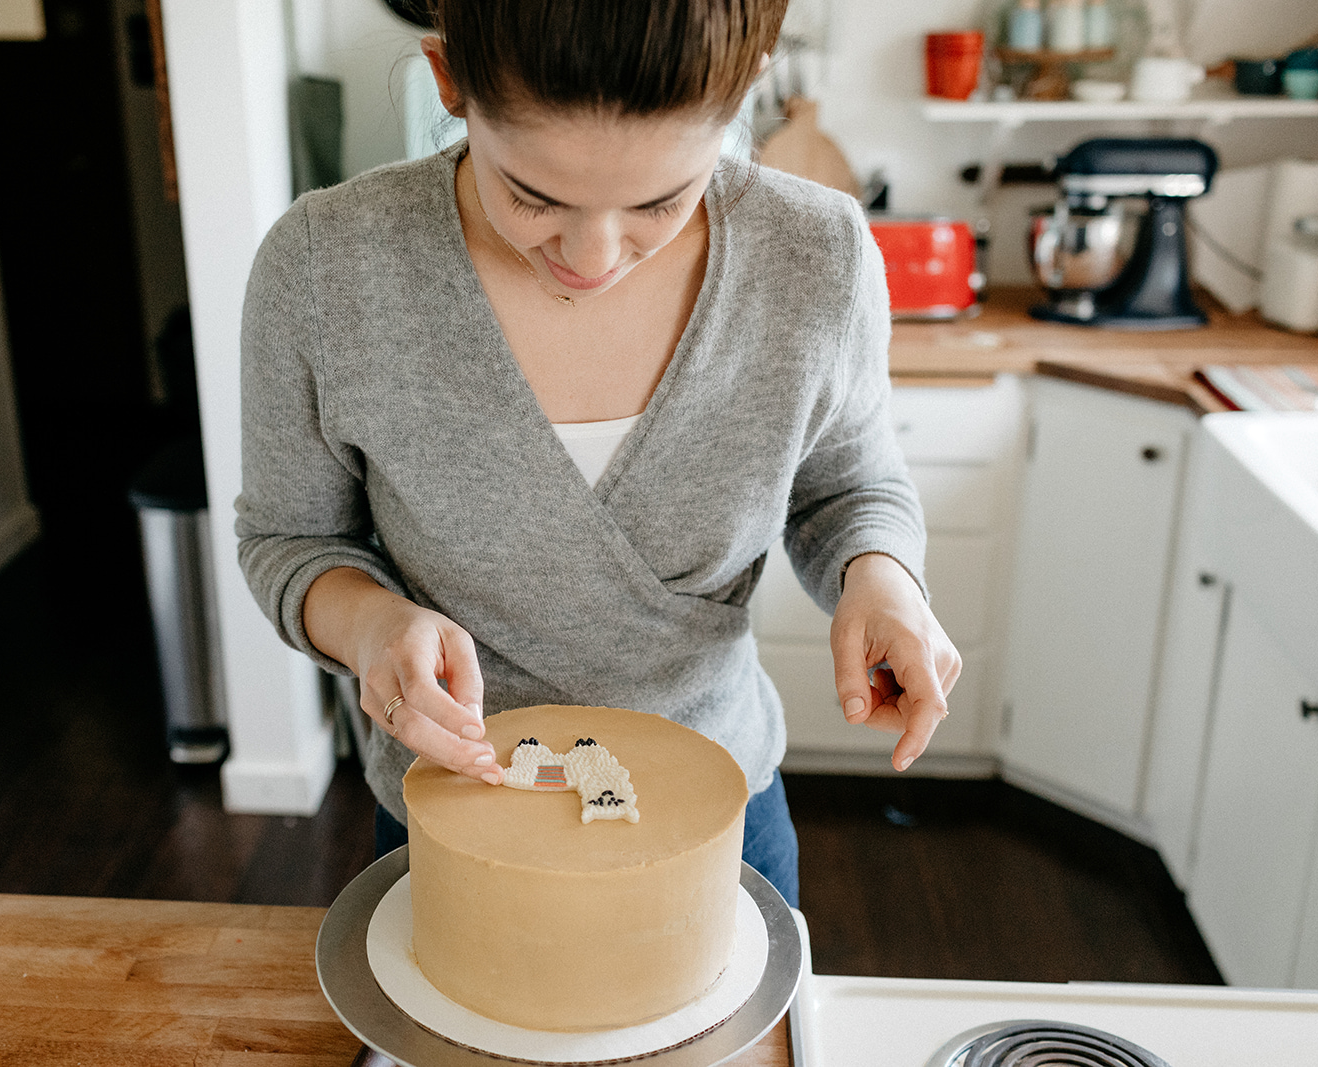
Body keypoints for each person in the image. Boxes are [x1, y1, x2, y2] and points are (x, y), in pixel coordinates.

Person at [236, 0, 961, 908]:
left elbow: (847, 485)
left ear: (749, 88)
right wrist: (373, 625)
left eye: (662, 199)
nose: (593, 255)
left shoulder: (817, 256)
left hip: (720, 819)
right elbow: (289, 539)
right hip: (456, 820)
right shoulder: (324, 265)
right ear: (447, 80)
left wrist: (883, 578)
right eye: (532, 196)